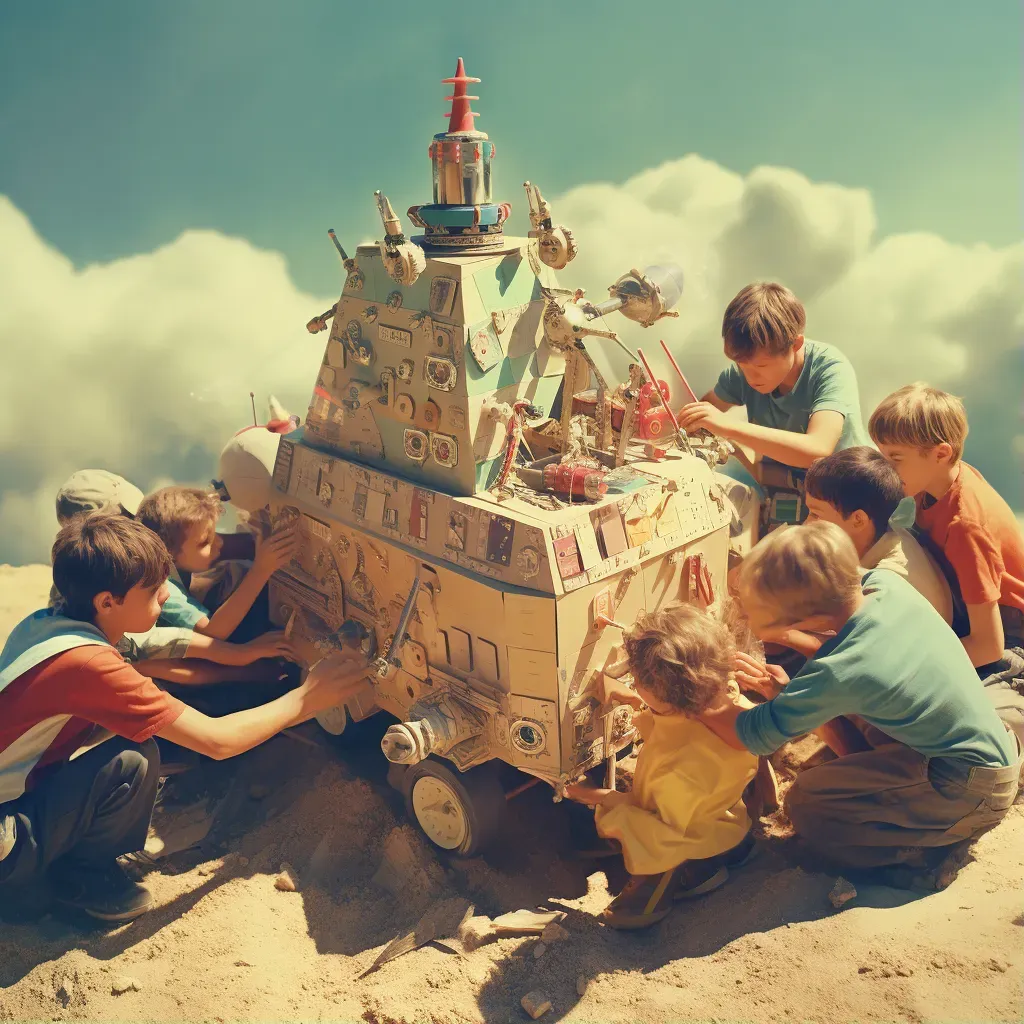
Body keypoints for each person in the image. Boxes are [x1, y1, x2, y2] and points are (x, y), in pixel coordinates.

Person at [0, 513, 366, 922]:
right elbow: (217, 741)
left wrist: (241, 654)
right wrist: (308, 698)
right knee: (132, 761)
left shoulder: (44, 624)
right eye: (154, 591)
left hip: (19, 793)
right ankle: (78, 883)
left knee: (127, 754)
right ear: (107, 602)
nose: (165, 598)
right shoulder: (90, 666)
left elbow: (148, 640)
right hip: (6, 839)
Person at [712, 522, 1020, 873]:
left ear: (798, 617)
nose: (743, 612)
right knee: (847, 712)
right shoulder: (885, 587)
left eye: (751, 609)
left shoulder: (841, 671)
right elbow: (849, 655)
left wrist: (694, 697)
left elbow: (752, 733)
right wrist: (791, 658)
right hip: (993, 752)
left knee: (808, 802)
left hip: (967, 788)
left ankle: (915, 862)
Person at [566, 605, 757, 930]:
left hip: (683, 835)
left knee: (634, 829)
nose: (633, 681)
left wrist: (597, 795)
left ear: (666, 693)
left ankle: (649, 900)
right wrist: (632, 699)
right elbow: (675, 723)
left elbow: (654, 822)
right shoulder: (732, 706)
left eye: (637, 679)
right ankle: (723, 859)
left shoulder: (676, 768)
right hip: (726, 817)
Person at [677, 282, 871, 532]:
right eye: (740, 366)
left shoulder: (830, 370)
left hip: (846, 504)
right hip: (785, 496)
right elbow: (705, 413)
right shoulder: (747, 368)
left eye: (761, 367)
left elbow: (817, 451)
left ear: (795, 345)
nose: (749, 377)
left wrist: (726, 426)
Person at [869, 383, 1024, 668]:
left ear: (940, 454)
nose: (885, 468)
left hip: (1007, 634)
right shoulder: (932, 481)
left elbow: (989, 646)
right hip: (964, 604)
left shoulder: (965, 526)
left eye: (895, 458)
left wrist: (902, 666)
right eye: (882, 455)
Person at [803, 446, 953, 624]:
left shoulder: (884, 585)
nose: (806, 525)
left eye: (815, 514)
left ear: (858, 520)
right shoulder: (891, 534)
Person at [137, 486, 296, 641]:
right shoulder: (161, 589)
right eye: (205, 542)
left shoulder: (179, 562)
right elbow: (213, 633)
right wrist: (261, 570)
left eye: (214, 532)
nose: (218, 542)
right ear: (169, 554)